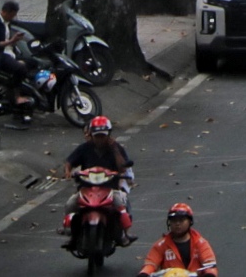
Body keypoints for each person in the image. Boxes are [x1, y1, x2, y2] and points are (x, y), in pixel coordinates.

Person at [64, 115, 136, 245]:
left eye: (103, 136)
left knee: (120, 202)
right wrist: (68, 171)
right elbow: (70, 161)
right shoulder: (84, 148)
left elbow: (122, 168)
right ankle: (70, 232)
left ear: (109, 135)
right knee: (71, 203)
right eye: (97, 136)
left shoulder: (116, 148)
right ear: (91, 135)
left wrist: (115, 149)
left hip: (110, 189)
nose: (100, 139)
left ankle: (126, 232)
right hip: (87, 188)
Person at [139, 202, 216, 276]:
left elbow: (210, 265)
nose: (177, 224)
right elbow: (150, 264)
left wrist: (209, 274)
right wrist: (144, 274)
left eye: (181, 220)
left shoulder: (200, 243)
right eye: (174, 220)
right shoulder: (161, 245)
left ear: (190, 222)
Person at [0, 0, 32, 106]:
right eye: (12, 15)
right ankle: (14, 95)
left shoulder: (6, 22)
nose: (13, 18)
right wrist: (12, 41)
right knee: (20, 68)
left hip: (8, 52)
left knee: (32, 62)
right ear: (6, 12)